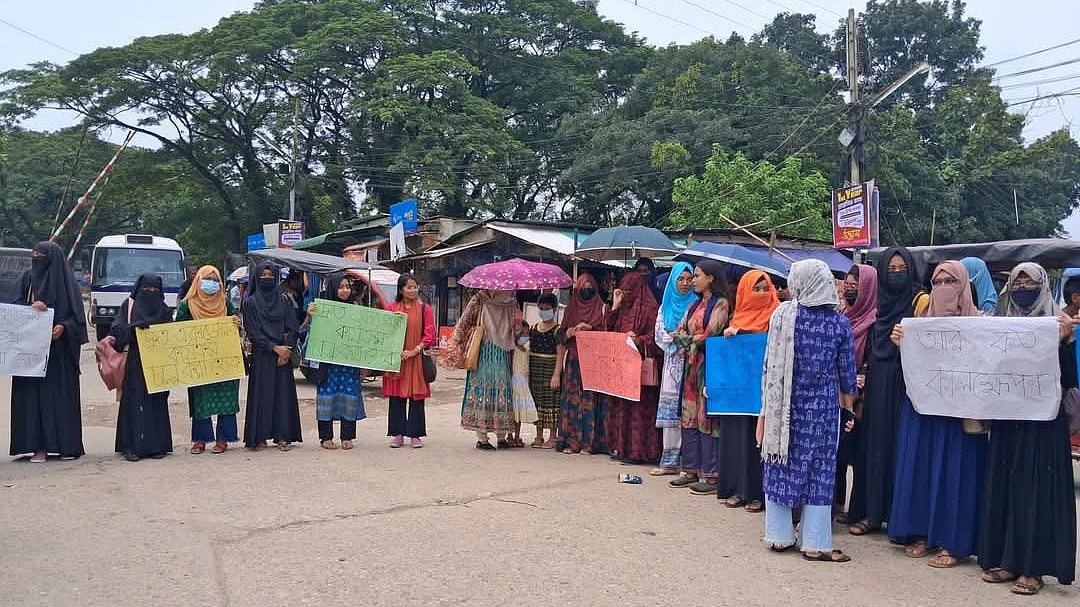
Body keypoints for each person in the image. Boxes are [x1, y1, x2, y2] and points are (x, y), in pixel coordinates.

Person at [977, 262, 1076, 596]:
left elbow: (1069, 382)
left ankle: (1033, 569)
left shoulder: (1059, 324)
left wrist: (1062, 343)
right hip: (1008, 420)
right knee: (1006, 487)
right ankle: (1008, 561)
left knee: (1035, 492)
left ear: (1043, 285)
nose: (1022, 288)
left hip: (1042, 424)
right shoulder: (998, 325)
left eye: (1028, 282)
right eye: (1016, 283)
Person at [887, 261, 988, 568]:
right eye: (938, 282)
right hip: (925, 409)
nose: (944, 288)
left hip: (961, 414)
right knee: (923, 467)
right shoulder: (919, 322)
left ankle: (954, 542)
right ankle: (921, 533)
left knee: (958, 473)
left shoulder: (982, 322)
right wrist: (901, 345)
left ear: (965, 286)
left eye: (951, 282)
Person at [758, 259, 857, 562]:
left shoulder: (783, 316)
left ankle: (778, 536)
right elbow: (847, 376)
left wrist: (764, 411)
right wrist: (849, 409)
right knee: (820, 470)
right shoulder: (839, 322)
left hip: (784, 409)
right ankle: (814, 542)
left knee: (781, 463)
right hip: (823, 411)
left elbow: (768, 366)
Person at [847, 246, 927, 536]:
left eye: (901, 269)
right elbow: (869, 350)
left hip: (906, 387)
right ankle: (870, 512)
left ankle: (898, 517)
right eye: (890, 270)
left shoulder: (920, 302)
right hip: (879, 384)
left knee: (899, 449)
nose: (896, 275)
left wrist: (908, 344)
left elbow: (932, 349)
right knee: (874, 447)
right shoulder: (878, 307)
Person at [8, 241, 88, 462]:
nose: (37, 262)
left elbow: (78, 320)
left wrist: (63, 326)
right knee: (32, 400)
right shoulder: (27, 279)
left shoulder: (67, 284)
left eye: (41, 257)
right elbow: (12, 308)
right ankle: (37, 446)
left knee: (59, 398)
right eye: (34, 257)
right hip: (30, 354)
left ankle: (66, 445)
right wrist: (30, 309)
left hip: (59, 355)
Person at [714, 270, 779, 512]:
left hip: (763, 389)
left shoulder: (776, 314)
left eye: (765, 289)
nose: (762, 294)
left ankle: (759, 493)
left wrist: (743, 335)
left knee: (758, 439)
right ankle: (737, 488)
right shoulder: (737, 316)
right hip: (738, 389)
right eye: (756, 289)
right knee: (736, 436)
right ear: (744, 292)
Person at [668, 260, 730, 494]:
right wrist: (689, 338)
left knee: (706, 419)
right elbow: (680, 330)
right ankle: (690, 469)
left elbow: (712, 334)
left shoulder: (721, 304)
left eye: (697, 276)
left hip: (708, 367)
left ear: (711, 278)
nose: (693, 280)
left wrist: (688, 339)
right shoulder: (693, 305)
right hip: (691, 367)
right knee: (688, 415)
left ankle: (711, 474)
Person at [175, 265, 241, 455]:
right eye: (207, 279)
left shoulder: (225, 303)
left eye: (215, 280)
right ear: (198, 281)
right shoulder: (187, 305)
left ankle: (223, 439)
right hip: (199, 361)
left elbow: (235, 328)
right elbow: (178, 331)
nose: (211, 284)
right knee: (201, 401)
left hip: (224, 360)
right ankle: (200, 440)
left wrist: (236, 324)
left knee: (226, 399)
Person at [111, 275, 174, 461]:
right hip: (134, 362)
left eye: (155, 289)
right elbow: (116, 330)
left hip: (157, 362)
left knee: (157, 402)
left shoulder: (163, 309)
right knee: (134, 402)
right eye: (147, 288)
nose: (151, 293)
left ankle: (157, 445)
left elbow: (171, 334)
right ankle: (131, 446)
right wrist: (133, 329)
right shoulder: (128, 306)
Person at [242, 262, 302, 451]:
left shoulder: (284, 301)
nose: (267, 278)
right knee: (262, 396)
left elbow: (293, 326)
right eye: (263, 275)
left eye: (270, 275)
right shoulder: (250, 303)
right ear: (257, 277)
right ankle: (259, 436)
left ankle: (283, 436)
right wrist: (274, 348)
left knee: (282, 397)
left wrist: (287, 350)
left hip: (283, 357)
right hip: (262, 356)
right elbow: (253, 332)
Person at [604, 272, 662, 463]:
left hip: (640, 369)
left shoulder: (650, 308)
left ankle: (641, 452)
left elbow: (656, 338)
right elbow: (608, 331)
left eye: (630, 290)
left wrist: (638, 340)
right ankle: (622, 448)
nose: (626, 293)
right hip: (622, 367)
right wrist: (616, 304)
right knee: (622, 408)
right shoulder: (623, 309)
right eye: (624, 290)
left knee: (639, 411)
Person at [835, 263, 877, 517]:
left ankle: (858, 509)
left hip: (865, 398)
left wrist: (861, 376)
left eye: (856, 287)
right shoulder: (841, 317)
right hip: (840, 394)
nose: (851, 291)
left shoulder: (876, 321)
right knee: (838, 453)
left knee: (860, 455)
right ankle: (837, 503)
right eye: (847, 286)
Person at [305, 274, 366, 451]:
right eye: (340, 287)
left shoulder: (356, 310)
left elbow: (362, 338)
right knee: (327, 399)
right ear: (332, 288)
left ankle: (347, 437)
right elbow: (310, 332)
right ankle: (326, 437)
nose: (345, 290)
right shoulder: (321, 309)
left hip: (349, 365)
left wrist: (363, 365)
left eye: (347, 287)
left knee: (349, 398)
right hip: (328, 365)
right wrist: (310, 316)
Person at [454, 290, 521, 450]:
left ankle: (489, 438)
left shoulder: (481, 299)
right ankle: (493, 438)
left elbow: (463, 323)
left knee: (487, 392)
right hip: (494, 353)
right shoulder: (509, 302)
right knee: (497, 392)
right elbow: (517, 334)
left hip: (489, 352)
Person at [555, 274, 610, 454]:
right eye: (583, 288)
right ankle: (572, 442)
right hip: (573, 362)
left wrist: (591, 329)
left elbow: (609, 334)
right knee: (573, 401)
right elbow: (560, 336)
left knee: (590, 401)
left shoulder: (602, 308)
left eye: (590, 288)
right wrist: (569, 332)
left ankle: (590, 443)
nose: (586, 291)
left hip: (594, 362)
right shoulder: (571, 308)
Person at [650, 262, 696, 475]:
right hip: (671, 365)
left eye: (689, 279)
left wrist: (682, 336)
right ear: (673, 280)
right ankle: (668, 462)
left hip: (693, 363)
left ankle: (688, 464)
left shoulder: (696, 304)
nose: (685, 283)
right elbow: (659, 334)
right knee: (670, 415)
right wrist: (676, 336)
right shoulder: (665, 305)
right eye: (681, 279)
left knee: (690, 413)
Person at [383, 274, 436, 448]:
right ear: (401, 290)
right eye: (409, 287)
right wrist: (393, 321)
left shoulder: (424, 309)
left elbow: (430, 335)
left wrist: (414, 351)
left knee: (416, 397)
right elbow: (383, 333)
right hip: (397, 360)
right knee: (396, 397)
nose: (413, 290)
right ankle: (398, 434)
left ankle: (415, 434)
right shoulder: (391, 309)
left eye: (415, 287)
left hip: (415, 360)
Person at [528, 293, 561, 448]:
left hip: (550, 368)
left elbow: (561, 354)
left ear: (555, 310)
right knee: (537, 402)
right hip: (535, 369)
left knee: (551, 402)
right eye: (541, 308)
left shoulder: (558, 330)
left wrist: (556, 374)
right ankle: (538, 436)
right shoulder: (533, 328)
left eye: (547, 309)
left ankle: (553, 437)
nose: (543, 311)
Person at [509, 319, 538, 447]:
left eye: (527, 335)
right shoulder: (512, 349)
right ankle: (509, 436)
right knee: (512, 413)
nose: (526, 337)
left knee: (519, 413)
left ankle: (517, 436)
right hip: (514, 383)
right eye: (523, 334)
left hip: (524, 384)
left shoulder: (526, 350)